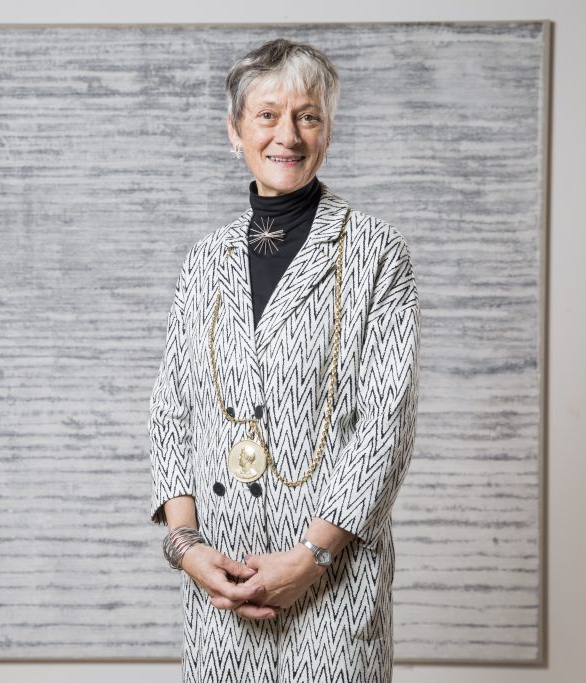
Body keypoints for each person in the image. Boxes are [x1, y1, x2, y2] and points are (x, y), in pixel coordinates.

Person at [148, 38, 420, 683]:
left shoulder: (378, 253)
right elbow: (170, 410)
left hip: (331, 578)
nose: (287, 135)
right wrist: (187, 549)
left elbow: (388, 422)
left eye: (308, 115)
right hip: (221, 581)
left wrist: (310, 561)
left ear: (327, 129)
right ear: (235, 129)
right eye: (267, 114)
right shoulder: (204, 259)